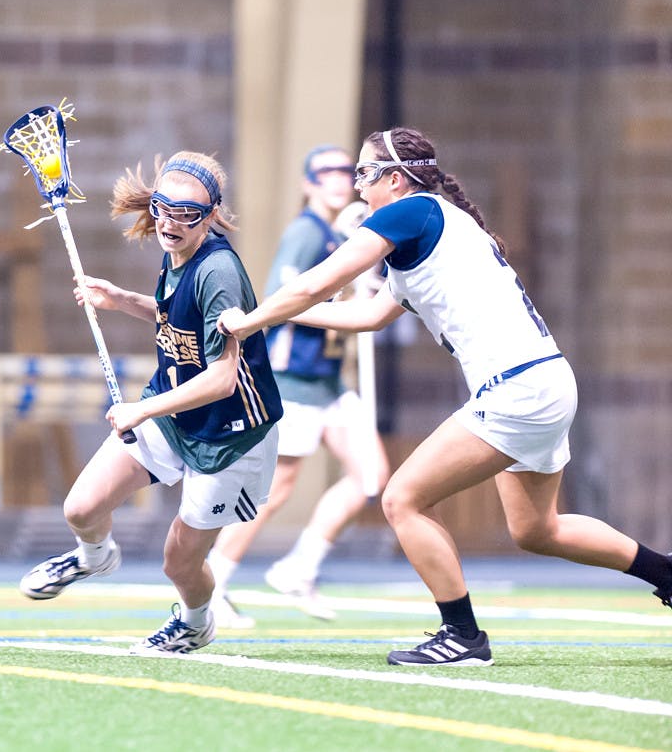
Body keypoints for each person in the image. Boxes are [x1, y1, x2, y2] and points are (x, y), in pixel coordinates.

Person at [217, 126, 672, 665]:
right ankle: (664, 572)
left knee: (401, 499)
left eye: (364, 173)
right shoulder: (428, 220)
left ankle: (463, 636)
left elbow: (316, 283)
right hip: (543, 381)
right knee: (537, 530)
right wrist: (272, 318)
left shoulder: (407, 213)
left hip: (517, 389)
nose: (359, 185)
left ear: (393, 178)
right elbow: (367, 315)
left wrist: (251, 321)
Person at [19, 151, 282, 655]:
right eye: (165, 209)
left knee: (179, 563)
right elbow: (171, 318)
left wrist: (141, 410)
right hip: (175, 409)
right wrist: (121, 299)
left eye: (188, 215)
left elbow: (224, 379)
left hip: (231, 435)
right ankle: (94, 556)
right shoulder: (175, 253)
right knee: (81, 508)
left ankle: (195, 621)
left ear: (209, 216)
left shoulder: (219, 272)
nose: (171, 223)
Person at [206, 146, 391, 629]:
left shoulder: (340, 234)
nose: (337, 179)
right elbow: (283, 302)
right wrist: (350, 307)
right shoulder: (306, 233)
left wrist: (359, 295)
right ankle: (213, 582)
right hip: (293, 379)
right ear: (309, 183)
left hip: (328, 381)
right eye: (325, 172)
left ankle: (299, 567)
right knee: (277, 487)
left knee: (369, 475)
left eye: (343, 171)